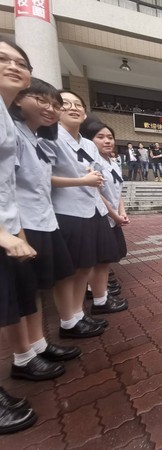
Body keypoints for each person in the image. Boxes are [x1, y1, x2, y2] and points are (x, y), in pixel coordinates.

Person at [12, 78, 83, 373]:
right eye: (42, 101)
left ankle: (38, 344)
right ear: (18, 100)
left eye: (55, 104)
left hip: (43, 220)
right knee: (21, 294)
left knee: (39, 287)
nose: (51, 109)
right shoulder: (12, 134)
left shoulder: (36, 139)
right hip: (20, 226)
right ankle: (23, 357)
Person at [40, 89, 119, 339]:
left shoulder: (86, 144)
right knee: (69, 272)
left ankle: (79, 314)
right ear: (56, 109)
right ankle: (68, 321)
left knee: (86, 266)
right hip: (67, 210)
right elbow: (42, 177)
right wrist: (81, 180)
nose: (74, 108)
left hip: (92, 209)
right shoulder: (49, 138)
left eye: (78, 104)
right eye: (66, 104)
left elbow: (97, 174)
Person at [0, 39, 39, 434]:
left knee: (10, 304)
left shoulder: (4, 115)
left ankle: (26, 358)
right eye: (2, 59)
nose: (13, 66)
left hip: (9, 225)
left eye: (20, 62)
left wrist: (16, 228)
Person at [81, 120, 129, 313]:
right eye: (100, 137)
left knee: (106, 258)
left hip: (113, 216)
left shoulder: (113, 162)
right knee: (98, 259)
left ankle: (99, 292)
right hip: (100, 215)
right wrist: (115, 216)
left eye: (110, 137)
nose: (107, 141)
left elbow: (118, 191)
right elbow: (97, 194)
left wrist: (122, 212)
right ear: (88, 140)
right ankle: (96, 294)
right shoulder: (92, 163)